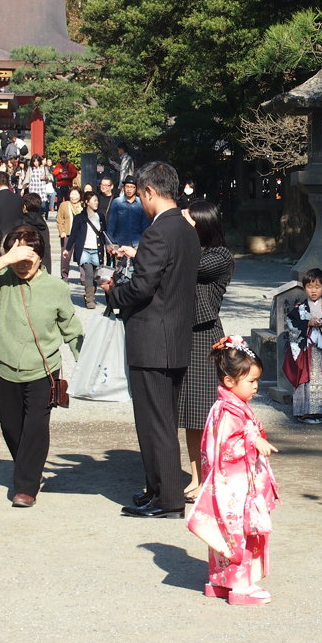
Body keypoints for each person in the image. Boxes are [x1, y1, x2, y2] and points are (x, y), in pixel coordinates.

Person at [104, 161, 200, 518]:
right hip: (174, 336)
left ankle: (168, 498)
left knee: (154, 422)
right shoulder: (186, 229)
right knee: (163, 419)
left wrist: (114, 292)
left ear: (148, 191)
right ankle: (158, 488)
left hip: (152, 339)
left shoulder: (158, 231)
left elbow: (143, 287)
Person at [0, 225, 83, 508]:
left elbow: (71, 328)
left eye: (27, 260)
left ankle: (26, 486)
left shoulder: (56, 288)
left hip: (43, 369)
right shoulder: (4, 280)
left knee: (35, 428)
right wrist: (6, 259)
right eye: (16, 259)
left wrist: (86, 363)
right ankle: (29, 467)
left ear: (40, 257)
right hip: (5, 366)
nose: (21, 266)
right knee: (10, 425)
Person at [189, 337, 278, 605]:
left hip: (228, 484)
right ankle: (240, 586)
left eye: (257, 380)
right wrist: (253, 440)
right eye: (251, 381)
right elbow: (227, 447)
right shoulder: (229, 410)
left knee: (225, 533)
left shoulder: (228, 407)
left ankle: (220, 581)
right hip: (234, 487)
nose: (256, 386)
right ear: (229, 381)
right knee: (238, 531)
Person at [177, 200, 234, 502]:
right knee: (189, 416)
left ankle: (210, 478)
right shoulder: (191, 250)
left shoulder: (220, 256)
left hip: (205, 337)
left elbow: (190, 268)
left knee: (204, 415)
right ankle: (196, 477)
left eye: (189, 221)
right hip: (183, 334)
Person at [284, 267, 322, 424]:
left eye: (317, 286)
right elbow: (291, 324)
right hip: (307, 350)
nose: (313, 290)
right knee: (306, 378)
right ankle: (306, 413)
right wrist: (307, 323)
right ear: (304, 288)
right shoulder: (299, 309)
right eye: (309, 287)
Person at [63, 190, 106, 309]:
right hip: (84, 250)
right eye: (94, 200)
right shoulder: (79, 218)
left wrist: (108, 246)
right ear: (87, 202)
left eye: (97, 200)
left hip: (97, 250)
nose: (96, 203)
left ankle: (89, 294)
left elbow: (104, 233)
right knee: (89, 274)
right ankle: (90, 300)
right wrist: (67, 249)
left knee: (96, 276)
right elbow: (73, 234)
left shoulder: (100, 216)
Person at [105, 178, 150, 249]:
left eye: (132, 187)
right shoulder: (117, 202)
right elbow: (111, 225)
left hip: (137, 243)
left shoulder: (141, 203)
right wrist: (109, 243)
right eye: (127, 186)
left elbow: (145, 225)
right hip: (120, 243)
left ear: (136, 189)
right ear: (123, 188)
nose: (129, 189)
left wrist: (145, 242)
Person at [19, 192, 52, 274]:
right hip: (43, 263)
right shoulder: (42, 223)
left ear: (24, 206)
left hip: (26, 264)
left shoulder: (21, 222)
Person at [55, 186, 82, 281]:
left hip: (80, 235)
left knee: (82, 256)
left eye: (76, 194)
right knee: (65, 256)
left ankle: (83, 278)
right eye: (72, 194)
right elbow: (59, 219)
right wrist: (61, 231)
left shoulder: (83, 206)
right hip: (67, 234)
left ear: (80, 195)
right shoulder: (64, 205)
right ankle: (64, 276)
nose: (74, 196)